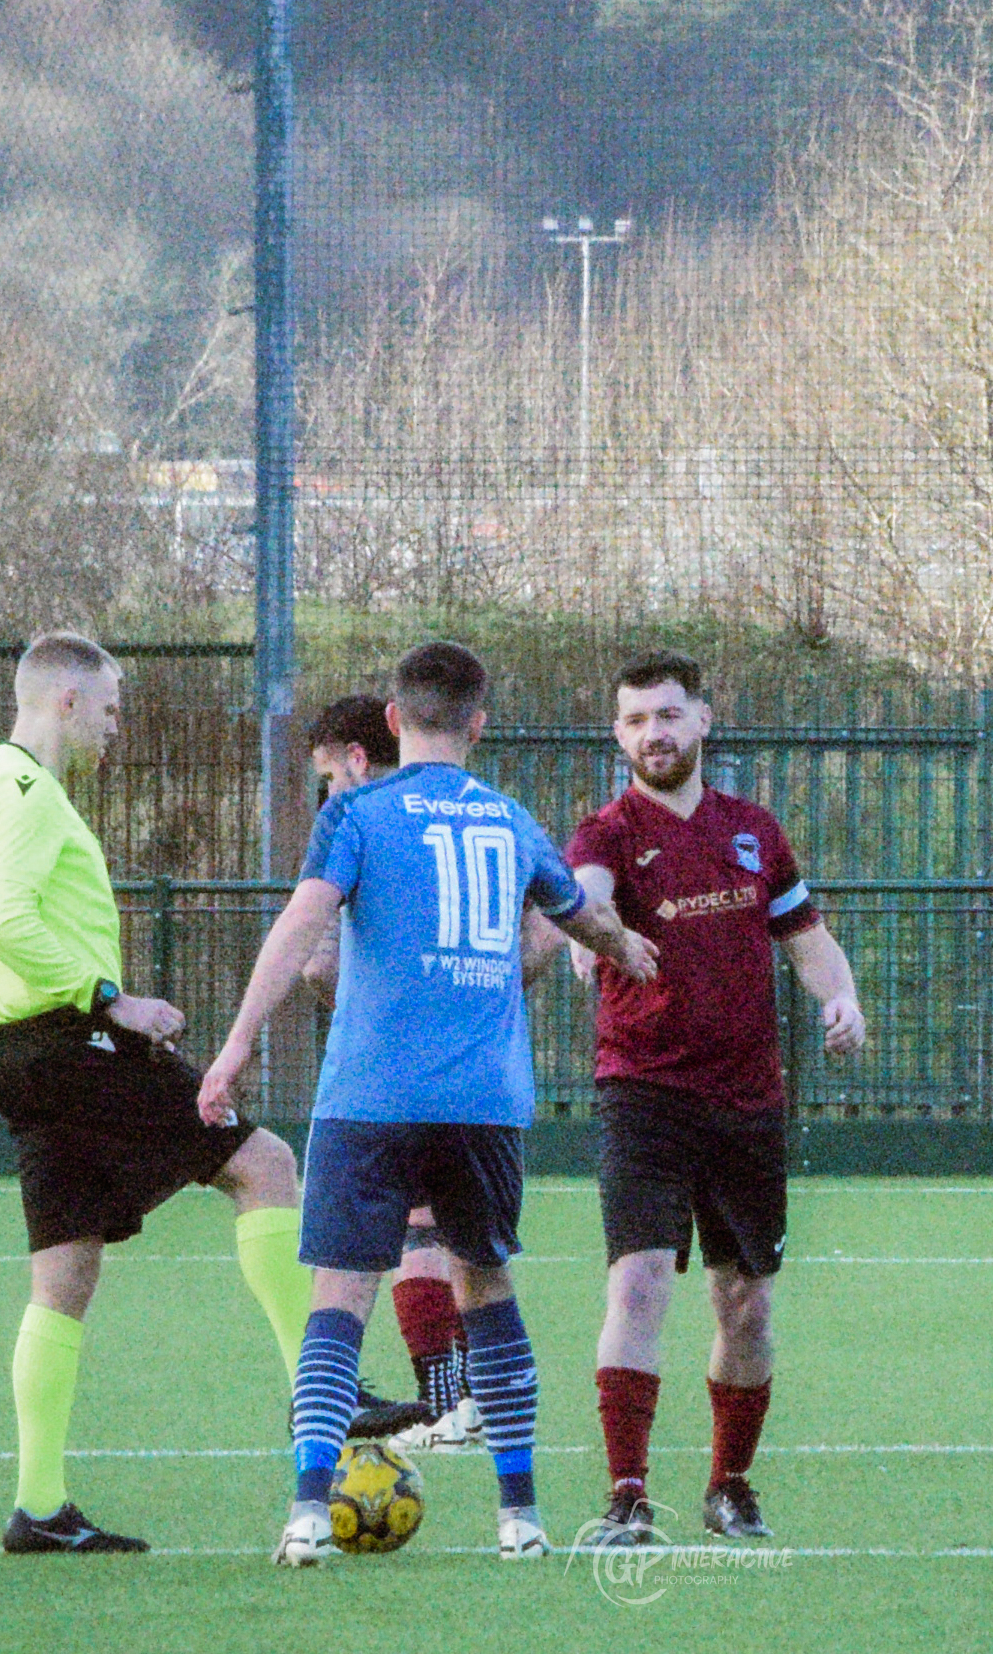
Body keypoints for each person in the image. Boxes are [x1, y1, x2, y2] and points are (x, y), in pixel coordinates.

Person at [199, 641, 659, 1567]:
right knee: (486, 1288)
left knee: (341, 1297)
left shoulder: (358, 814)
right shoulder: (511, 821)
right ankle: (520, 1518)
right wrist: (627, 951)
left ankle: (303, 1514)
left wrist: (239, 1041)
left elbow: (301, 926)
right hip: (482, 1103)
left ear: (395, 722)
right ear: (480, 725)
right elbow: (579, 916)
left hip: (371, 1095)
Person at [0, 631, 318, 1554]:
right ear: (66, 701)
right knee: (264, 1164)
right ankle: (325, 1400)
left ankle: (39, 1507)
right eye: (111, 707)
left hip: (20, 1056)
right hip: (73, 1044)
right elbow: (5, 921)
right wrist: (112, 1001)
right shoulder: (29, 790)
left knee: (64, 1273)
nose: (117, 726)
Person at [568, 652, 867, 1544]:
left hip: (746, 1102)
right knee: (640, 1285)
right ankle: (626, 1497)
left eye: (666, 715)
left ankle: (729, 1486)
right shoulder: (608, 832)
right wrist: (600, 936)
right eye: (633, 721)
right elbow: (584, 899)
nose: (652, 734)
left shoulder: (755, 831)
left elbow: (807, 939)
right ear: (618, 735)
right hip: (644, 1092)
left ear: (703, 720)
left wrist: (841, 996)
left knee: (746, 1303)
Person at [296, 692, 569, 1452]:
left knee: (391, 1249)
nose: (327, 793)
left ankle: (444, 1402)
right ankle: (499, 1465)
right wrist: (482, 988)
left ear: (360, 756)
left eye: (327, 775)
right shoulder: (491, 816)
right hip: (478, 1080)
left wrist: (385, 998)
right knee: (468, 1251)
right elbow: (552, 919)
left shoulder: (361, 823)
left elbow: (317, 959)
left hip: (384, 1083)